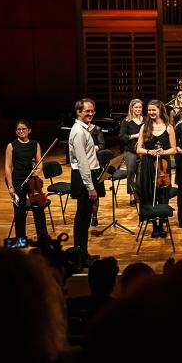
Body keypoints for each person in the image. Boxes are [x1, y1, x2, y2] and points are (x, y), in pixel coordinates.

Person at [135, 99, 177, 238]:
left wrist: (162, 152)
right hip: (148, 165)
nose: (151, 112)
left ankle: (161, 225)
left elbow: (174, 149)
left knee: (163, 195)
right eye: (150, 110)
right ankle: (153, 226)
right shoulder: (144, 127)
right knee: (149, 194)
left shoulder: (169, 127)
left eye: (154, 110)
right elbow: (139, 149)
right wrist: (149, 152)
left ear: (160, 110)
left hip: (163, 167)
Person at [68, 100, 104, 254]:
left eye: (92, 111)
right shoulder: (78, 131)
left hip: (88, 176)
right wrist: (90, 187)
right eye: (87, 111)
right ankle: (80, 254)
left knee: (85, 218)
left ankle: (83, 253)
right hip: (83, 179)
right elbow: (83, 163)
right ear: (78, 112)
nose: (90, 114)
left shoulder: (84, 129)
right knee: (82, 219)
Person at [5, 120, 49, 241]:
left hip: (32, 181)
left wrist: (37, 171)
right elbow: (8, 167)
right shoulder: (11, 145)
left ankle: (43, 238)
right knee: (19, 212)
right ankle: (20, 240)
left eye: (23, 129)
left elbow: (40, 164)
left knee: (38, 208)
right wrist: (10, 187)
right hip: (16, 181)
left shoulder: (35, 144)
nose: (21, 131)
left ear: (29, 130)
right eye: (18, 129)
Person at [118, 99, 143, 207]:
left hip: (142, 152)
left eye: (140, 107)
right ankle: (132, 196)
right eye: (136, 107)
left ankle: (140, 195)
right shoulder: (126, 121)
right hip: (130, 151)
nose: (138, 109)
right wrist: (135, 135)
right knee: (131, 174)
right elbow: (121, 137)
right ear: (131, 108)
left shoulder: (145, 120)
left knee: (141, 174)